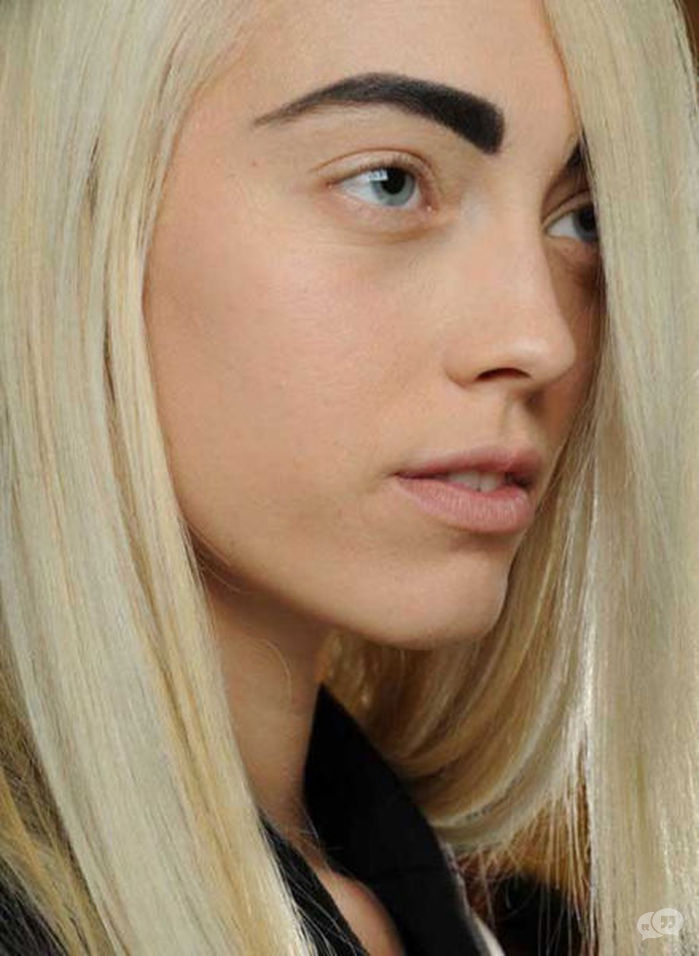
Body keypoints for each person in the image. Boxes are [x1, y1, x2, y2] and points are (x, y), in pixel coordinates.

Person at [0, 1, 697, 953]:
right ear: (69, 213)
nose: (540, 338)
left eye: (582, 218)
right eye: (390, 183)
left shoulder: (535, 928)